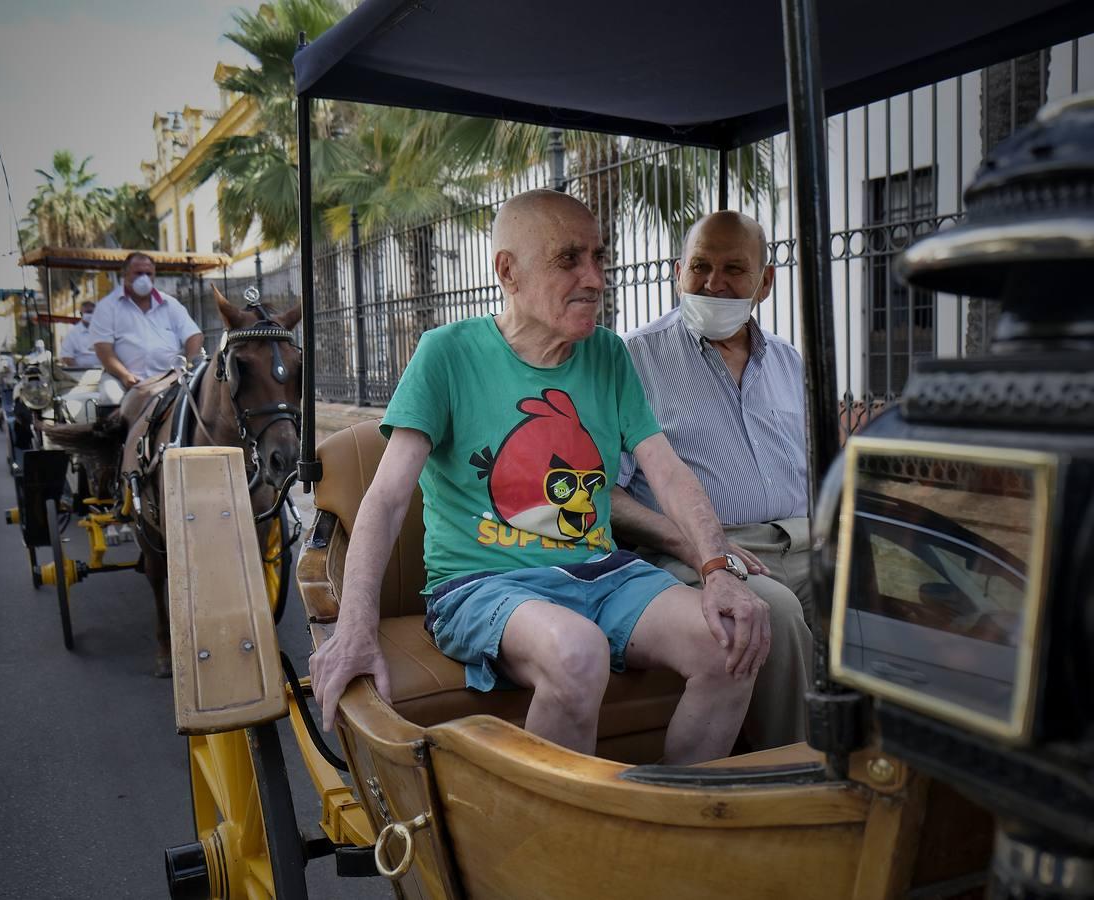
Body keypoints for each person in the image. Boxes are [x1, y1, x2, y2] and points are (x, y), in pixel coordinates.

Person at [311, 190, 776, 766]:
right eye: (569, 259)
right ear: (507, 270)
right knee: (577, 652)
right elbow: (384, 500)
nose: (596, 278)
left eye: (599, 258)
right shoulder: (446, 354)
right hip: (481, 586)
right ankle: (548, 848)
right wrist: (355, 626)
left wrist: (716, 569)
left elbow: (669, 472)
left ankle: (669, 820)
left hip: (601, 573)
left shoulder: (607, 355)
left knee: (731, 641)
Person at [611, 210, 813, 749]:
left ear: (764, 283)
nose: (713, 283)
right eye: (700, 265)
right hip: (701, 549)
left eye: (734, 269)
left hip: (807, 538)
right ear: (678, 271)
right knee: (778, 613)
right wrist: (704, 548)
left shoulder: (790, 364)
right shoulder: (635, 359)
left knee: (882, 597)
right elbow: (604, 493)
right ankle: (794, 780)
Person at [88, 252, 203, 405]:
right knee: (111, 396)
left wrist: (189, 366)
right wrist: (124, 375)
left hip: (169, 378)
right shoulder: (107, 307)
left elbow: (194, 335)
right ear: (125, 274)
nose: (144, 278)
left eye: (148, 274)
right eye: (138, 273)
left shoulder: (170, 304)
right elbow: (103, 349)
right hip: (125, 380)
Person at [59, 301, 101, 368]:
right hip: (80, 373)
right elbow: (66, 357)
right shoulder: (72, 333)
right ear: (81, 314)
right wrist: (79, 370)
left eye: (92, 312)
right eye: (88, 312)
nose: (90, 315)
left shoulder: (103, 331)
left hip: (103, 372)